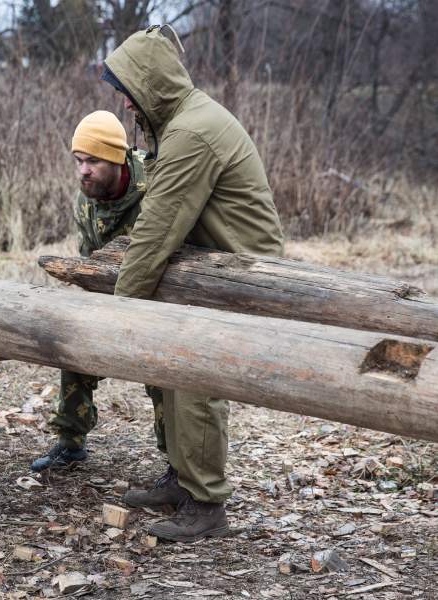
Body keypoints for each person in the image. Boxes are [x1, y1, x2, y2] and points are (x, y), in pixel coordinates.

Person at [100, 25, 284, 542]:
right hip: (209, 267)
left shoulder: (191, 134)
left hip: (246, 276)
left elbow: (157, 231)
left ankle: (206, 504)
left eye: (129, 93)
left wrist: (115, 317)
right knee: (171, 368)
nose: (126, 105)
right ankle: (183, 480)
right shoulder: (184, 119)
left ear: (150, 85)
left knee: (196, 374)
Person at [31, 111, 168, 472]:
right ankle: (70, 442)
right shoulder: (86, 200)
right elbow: (87, 262)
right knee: (72, 344)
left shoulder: (154, 189)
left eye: (93, 161)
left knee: (167, 379)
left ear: (118, 159)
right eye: (78, 161)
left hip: (159, 305)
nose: (83, 171)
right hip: (107, 298)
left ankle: (177, 463)